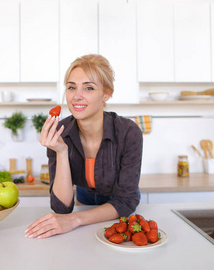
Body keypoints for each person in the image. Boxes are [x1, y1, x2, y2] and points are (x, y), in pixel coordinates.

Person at [25, 54, 143, 239]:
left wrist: (75, 220)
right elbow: (61, 208)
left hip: (118, 212)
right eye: (71, 87)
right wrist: (61, 152)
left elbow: (126, 200)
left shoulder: (128, 132)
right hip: (84, 203)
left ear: (106, 94)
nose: (76, 96)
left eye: (88, 88)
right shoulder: (60, 132)